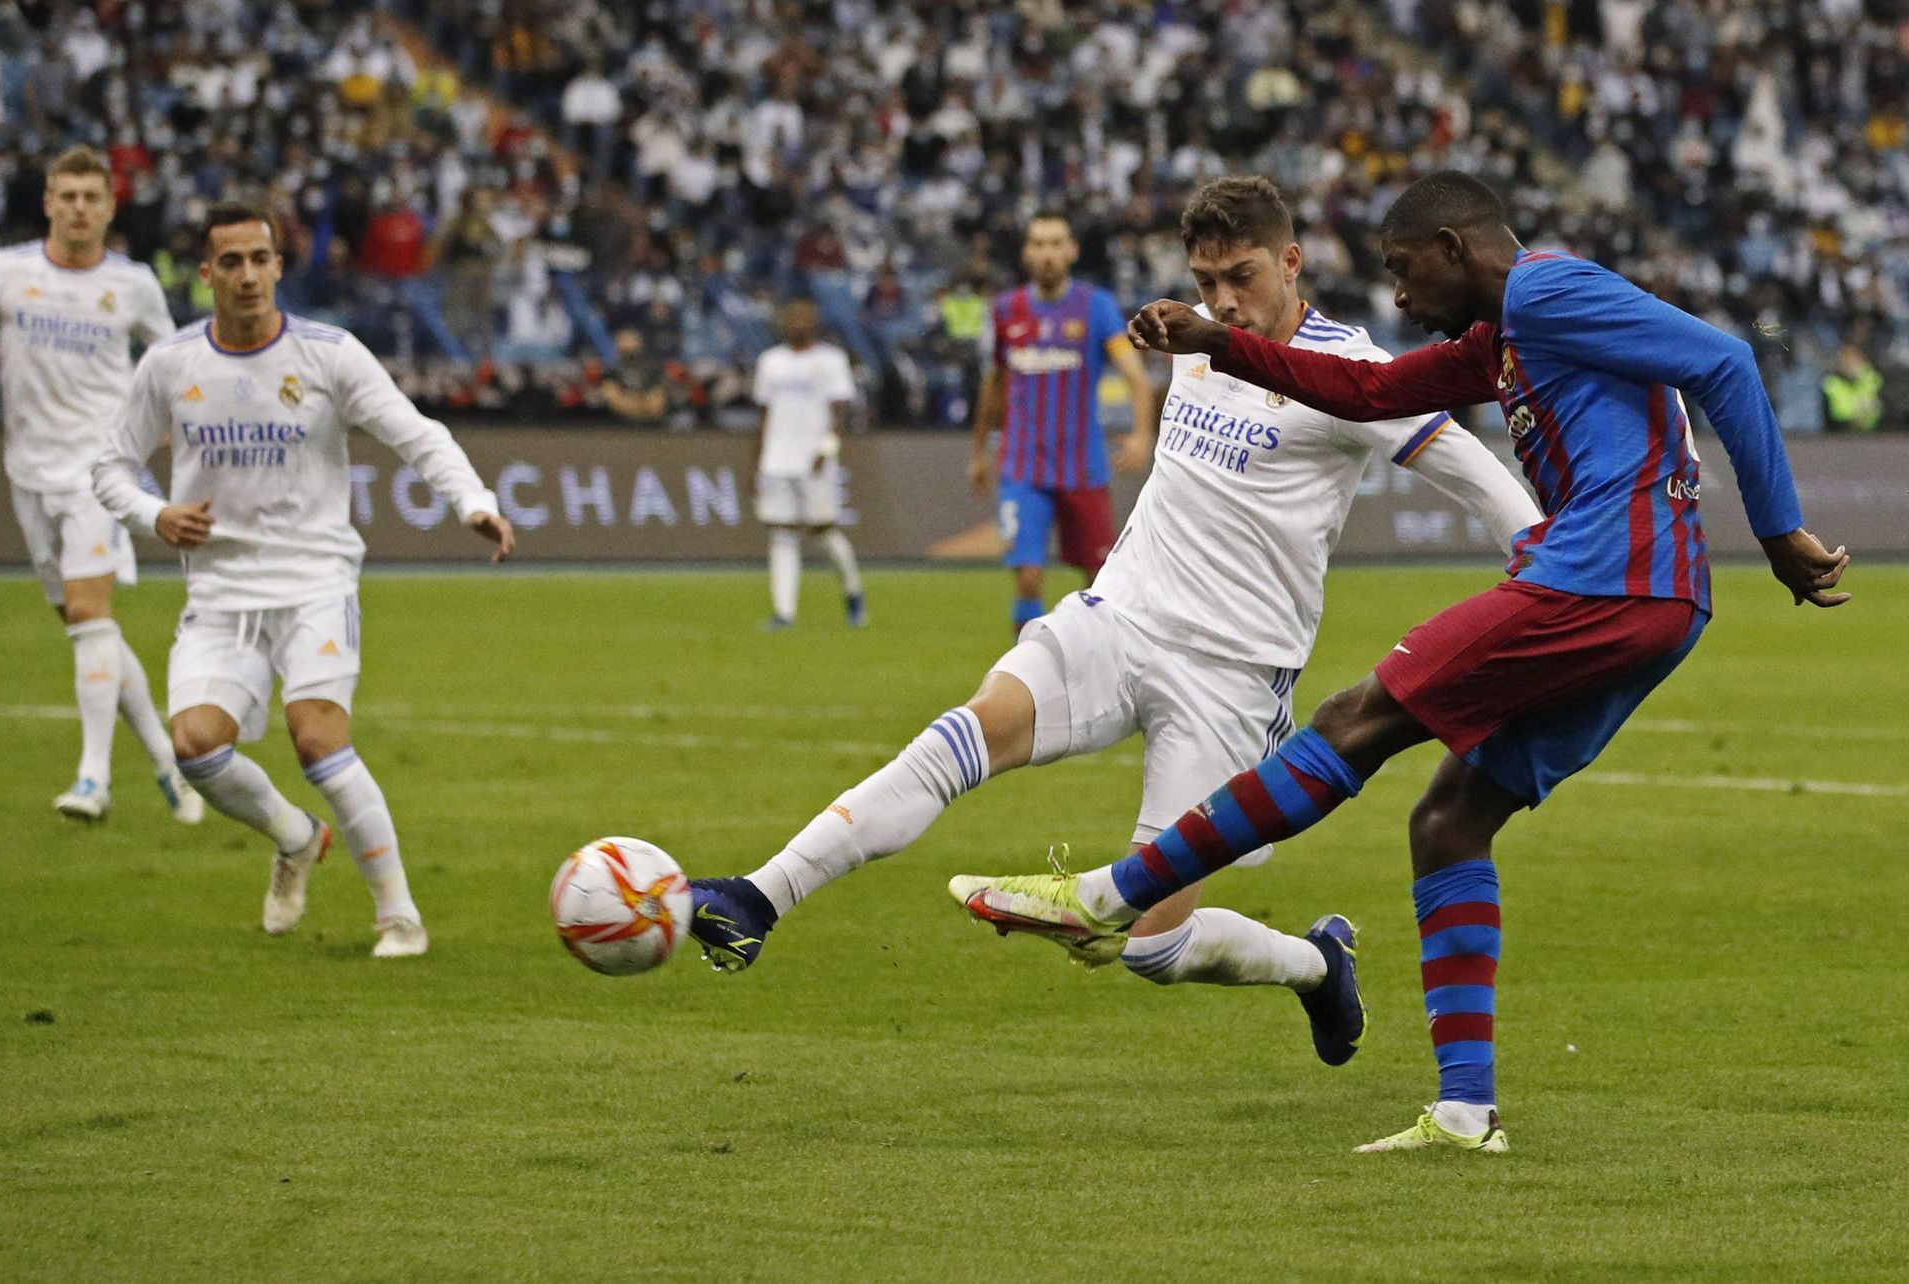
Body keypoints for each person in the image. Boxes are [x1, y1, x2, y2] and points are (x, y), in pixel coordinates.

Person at [953, 171, 1850, 1154]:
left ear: (1457, 247)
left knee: (1356, 718)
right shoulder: (1504, 342)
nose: (1395, 295)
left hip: (1608, 572)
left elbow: (1721, 361)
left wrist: (1778, 532)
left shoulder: (1544, 292)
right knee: (1448, 821)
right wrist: (1220, 343)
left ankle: (1107, 897)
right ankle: (1467, 1112)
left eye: (1403, 268)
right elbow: (1370, 391)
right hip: (1652, 602)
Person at [688, 178, 1540, 1071]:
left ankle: (1315, 964)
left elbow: (1475, 472)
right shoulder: (1198, 342)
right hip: (1119, 617)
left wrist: (1540, 571)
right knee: (968, 732)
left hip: (1233, 674)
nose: (1221, 301)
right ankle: (761, 896)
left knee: (1154, 948)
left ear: (1292, 262)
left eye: (1240, 276)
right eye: (1205, 281)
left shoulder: (1353, 371)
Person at [91, 202, 516, 958]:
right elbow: (108, 467)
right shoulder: (171, 363)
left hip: (316, 579)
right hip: (220, 592)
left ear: (279, 266)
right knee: (195, 747)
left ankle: (398, 915)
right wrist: (154, 515)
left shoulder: (330, 354)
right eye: (231, 262)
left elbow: (419, 434)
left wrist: (474, 502)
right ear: (206, 275)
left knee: (318, 739)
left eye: (260, 258)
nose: (248, 275)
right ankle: (294, 836)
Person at [0, 144, 201, 825]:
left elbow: (171, 362)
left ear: (109, 207)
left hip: (100, 471)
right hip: (28, 471)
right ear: (49, 203)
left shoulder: (134, 283)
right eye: (69, 196)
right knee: (92, 631)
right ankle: (170, 764)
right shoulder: (5, 273)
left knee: (89, 615)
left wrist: (171, 420)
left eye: (93, 197)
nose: (80, 208)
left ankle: (93, 780)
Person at [969, 212, 1156, 634]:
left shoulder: (1096, 306)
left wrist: (1143, 434)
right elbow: (993, 385)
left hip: (1082, 467)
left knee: (1100, 578)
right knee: (1028, 576)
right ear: (1026, 254)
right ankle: (1028, 677)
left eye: (1056, 243)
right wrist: (979, 452)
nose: (1047, 253)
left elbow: (1136, 377)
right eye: (1038, 244)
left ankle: (1100, 669)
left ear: (1071, 251)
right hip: (1022, 467)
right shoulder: (1006, 310)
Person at [751, 297, 865, 630]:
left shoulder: (831, 360)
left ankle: (853, 592)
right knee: (782, 533)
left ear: (815, 322)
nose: (798, 323)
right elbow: (763, 416)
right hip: (776, 460)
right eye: (792, 317)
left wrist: (826, 449)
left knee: (823, 529)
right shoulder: (770, 362)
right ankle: (784, 612)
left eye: (804, 317)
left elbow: (841, 410)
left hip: (813, 459)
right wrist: (757, 462)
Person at [1821, 342, 1883, 433]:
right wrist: (1856, 415)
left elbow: (1878, 408)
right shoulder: (1831, 383)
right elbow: (1835, 414)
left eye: (1855, 360)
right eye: (1847, 361)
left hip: (1874, 434)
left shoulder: (1872, 378)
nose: (1851, 364)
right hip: (1840, 433)